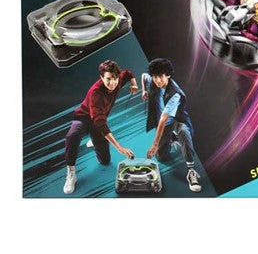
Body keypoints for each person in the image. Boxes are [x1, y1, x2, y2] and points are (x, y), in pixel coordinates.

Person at [63, 60, 138, 194]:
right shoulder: (96, 93)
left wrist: (134, 84)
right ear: (101, 77)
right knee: (72, 136)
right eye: (108, 79)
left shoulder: (118, 79)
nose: (112, 83)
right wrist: (120, 148)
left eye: (115, 78)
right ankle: (71, 172)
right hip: (84, 118)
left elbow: (127, 73)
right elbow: (100, 123)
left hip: (97, 123)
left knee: (105, 161)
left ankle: (94, 140)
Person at [141, 58, 201, 192]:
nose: (158, 80)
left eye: (160, 76)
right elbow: (144, 76)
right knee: (161, 157)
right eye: (155, 76)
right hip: (163, 124)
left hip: (176, 120)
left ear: (168, 75)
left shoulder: (175, 94)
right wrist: (144, 91)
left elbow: (163, 119)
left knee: (183, 131)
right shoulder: (152, 80)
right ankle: (172, 138)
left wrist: (154, 144)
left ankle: (191, 171)